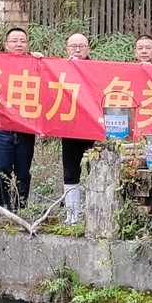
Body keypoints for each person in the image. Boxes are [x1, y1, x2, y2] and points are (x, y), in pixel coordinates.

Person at [0, 27, 40, 210]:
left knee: (23, 171)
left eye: (22, 41)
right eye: (14, 41)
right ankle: (4, 207)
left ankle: (21, 207)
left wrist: (41, 60)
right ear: (6, 44)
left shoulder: (35, 64)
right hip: (2, 128)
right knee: (2, 170)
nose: (19, 44)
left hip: (26, 128)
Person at [62, 33, 96, 223]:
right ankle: (72, 216)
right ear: (67, 49)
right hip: (70, 129)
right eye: (73, 46)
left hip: (94, 130)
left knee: (96, 171)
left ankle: (95, 215)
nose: (77, 50)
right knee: (70, 172)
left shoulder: (98, 69)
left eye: (81, 46)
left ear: (88, 49)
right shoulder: (59, 69)